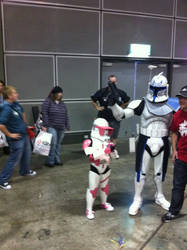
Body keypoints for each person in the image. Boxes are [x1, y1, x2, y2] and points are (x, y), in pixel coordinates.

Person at [109, 72, 176, 215]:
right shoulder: (141, 103)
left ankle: (160, 196)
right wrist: (113, 103)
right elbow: (121, 115)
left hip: (163, 140)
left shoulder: (172, 104)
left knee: (160, 172)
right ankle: (137, 198)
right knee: (141, 172)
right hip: (145, 139)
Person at [0, 86, 36, 190]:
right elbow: (1, 124)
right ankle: (2, 180)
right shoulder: (6, 107)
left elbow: (22, 112)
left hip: (24, 134)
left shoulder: (15, 104)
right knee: (14, 159)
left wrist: (24, 124)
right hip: (16, 138)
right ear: (9, 96)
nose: (17, 95)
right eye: (15, 93)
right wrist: (10, 135)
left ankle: (25, 171)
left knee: (27, 154)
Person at [162, 86, 187, 222]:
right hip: (182, 157)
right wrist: (174, 150)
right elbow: (174, 132)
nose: (181, 100)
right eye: (180, 98)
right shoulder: (177, 115)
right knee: (178, 186)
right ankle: (173, 211)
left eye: (184, 98)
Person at [82, 118, 116, 219]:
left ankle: (104, 203)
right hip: (95, 169)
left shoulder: (107, 141)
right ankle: (89, 209)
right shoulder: (89, 142)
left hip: (106, 168)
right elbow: (91, 156)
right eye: (103, 130)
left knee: (104, 187)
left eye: (106, 130)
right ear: (96, 129)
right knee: (93, 189)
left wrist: (112, 150)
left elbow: (114, 156)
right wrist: (104, 153)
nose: (105, 132)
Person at [91, 75, 130, 159]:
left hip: (115, 119)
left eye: (114, 81)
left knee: (114, 137)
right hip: (103, 118)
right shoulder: (102, 91)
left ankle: (112, 151)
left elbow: (126, 100)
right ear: (108, 82)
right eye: (111, 82)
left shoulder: (120, 92)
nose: (113, 83)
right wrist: (97, 107)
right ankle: (103, 152)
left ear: (116, 82)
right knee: (102, 137)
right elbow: (93, 99)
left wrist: (122, 107)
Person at [42, 86, 70, 167]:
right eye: (58, 93)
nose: (60, 94)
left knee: (58, 144)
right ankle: (50, 161)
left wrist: (67, 125)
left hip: (61, 127)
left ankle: (57, 160)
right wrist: (45, 125)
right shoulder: (48, 102)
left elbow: (66, 115)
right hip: (51, 126)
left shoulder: (62, 103)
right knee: (53, 144)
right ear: (54, 94)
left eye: (61, 93)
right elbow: (44, 114)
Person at [0, 80, 10, 155]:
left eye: (1, 85)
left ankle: (7, 149)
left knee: (7, 133)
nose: (0, 87)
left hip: (6, 116)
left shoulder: (5, 95)